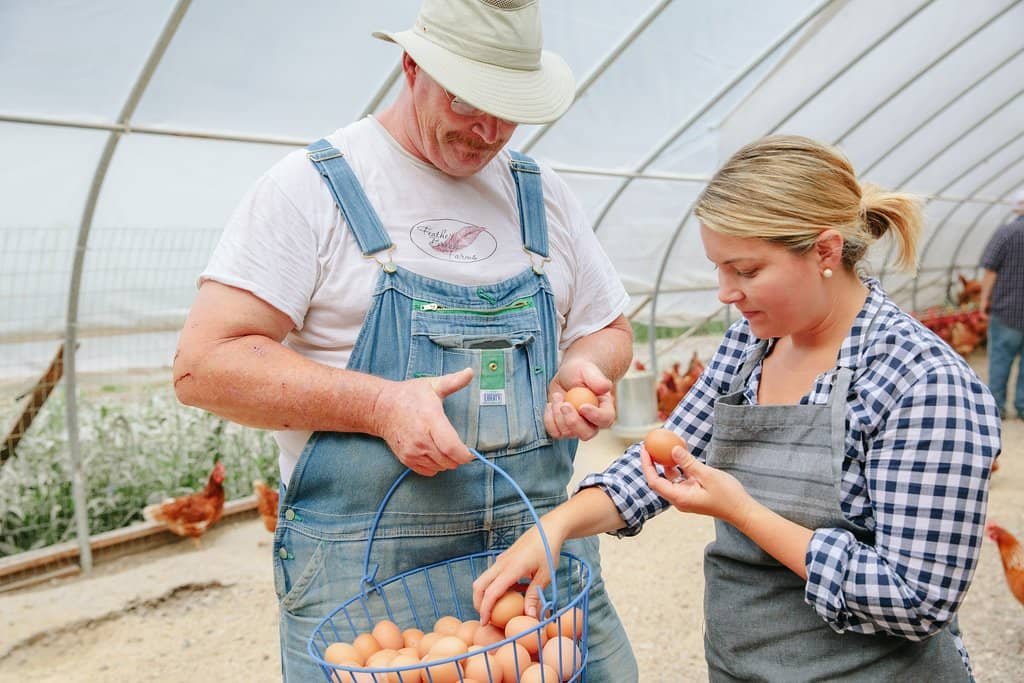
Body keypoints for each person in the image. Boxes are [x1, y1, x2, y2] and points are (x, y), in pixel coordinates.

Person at [172, 0, 639, 680]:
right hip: (365, 576)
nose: (488, 130)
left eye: (510, 107)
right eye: (468, 101)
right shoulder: (312, 190)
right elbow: (202, 366)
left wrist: (581, 367)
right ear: (412, 65)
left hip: (537, 562)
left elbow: (609, 327)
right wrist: (379, 404)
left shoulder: (544, 195)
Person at [473, 135, 1001, 681]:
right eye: (718, 268)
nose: (726, 292)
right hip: (741, 666)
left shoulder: (923, 382)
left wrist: (743, 512)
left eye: (746, 271)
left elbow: (915, 599)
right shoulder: (749, 347)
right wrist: (556, 526)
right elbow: (662, 461)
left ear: (824, 251)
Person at [979, 189, 1024, 420]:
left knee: (1000, 360)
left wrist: (984, 300)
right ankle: (1022, 406)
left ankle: (997, 407)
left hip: (1006, 310)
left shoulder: (1006, 233)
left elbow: (990, 269)